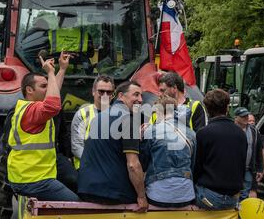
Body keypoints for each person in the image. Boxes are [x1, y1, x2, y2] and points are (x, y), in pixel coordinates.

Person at [7, 52, 80, 201]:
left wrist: (62, 69)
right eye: (43, 86)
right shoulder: (32, 110)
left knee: (75, 181)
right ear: (29, 90)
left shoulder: (28, 107)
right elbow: (53, 105)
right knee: (75, 204)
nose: (48, 89)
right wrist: (51, 72)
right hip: (31, 179)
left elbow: (54, 93)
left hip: (33, 175)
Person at [78, 81, 148, 211]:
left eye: (141, 96)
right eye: (136, 95)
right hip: (113, 193)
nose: (140, 100)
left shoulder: (98, 117)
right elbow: (133, 165)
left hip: (87, 189)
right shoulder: (128, 120)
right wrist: (142, 196)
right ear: (121, 96)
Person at [194, 89, 247, 210]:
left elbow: (196, 167)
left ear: (207, 109)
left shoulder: (203, 133)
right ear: (227, 108)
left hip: (209, 197)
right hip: (233, 198)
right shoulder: (241, 133)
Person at [141, 95, 197, 209]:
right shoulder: (191, 133)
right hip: (186, 194)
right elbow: (193, 165)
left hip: (158, 195)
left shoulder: (151, 131)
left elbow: (143, 163)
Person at [71, 75, 115, 169]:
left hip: (110, 166)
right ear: (93, 92)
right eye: (101, 91)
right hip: (87, 165)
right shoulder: (82, 114)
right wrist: (96, 162)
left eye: (109, 92)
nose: (105, 95)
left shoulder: (118, 115)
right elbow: (77, 146)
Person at [234, 107, 264, 219]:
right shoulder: (231, 130)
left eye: (247, 116)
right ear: (236, 118)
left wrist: (259, 168)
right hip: (232, 170)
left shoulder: (254, 131)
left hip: (247, 170)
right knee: (230, 196)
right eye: (243, 116)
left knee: (244, 198)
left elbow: (258, 150)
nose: (246, 118)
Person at [248, 113, 264, 181]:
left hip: (253, 167)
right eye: (250, 121)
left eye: (253, 121)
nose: (252, 123)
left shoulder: (256, 133)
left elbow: (261, 149)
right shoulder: (242, 133)